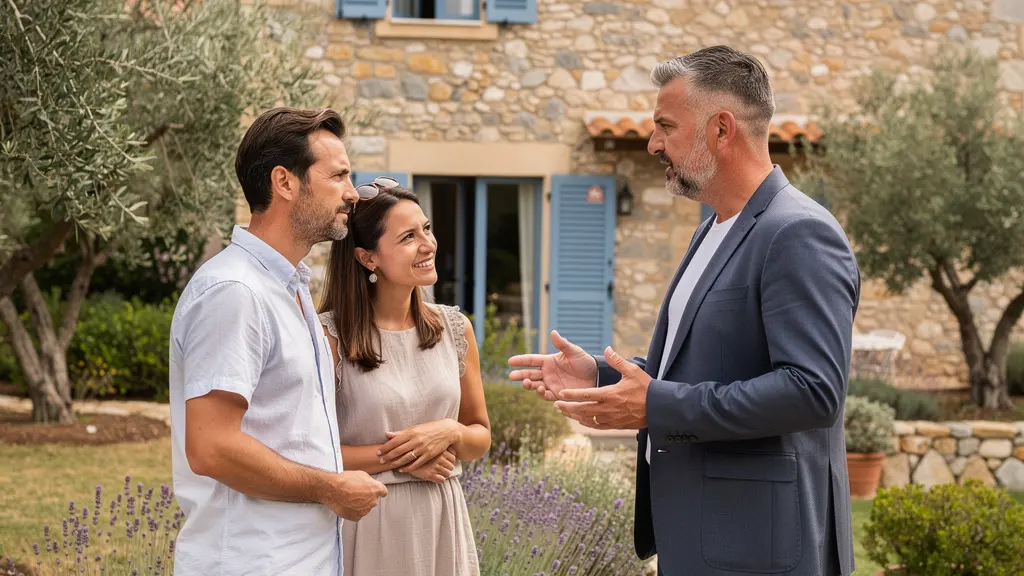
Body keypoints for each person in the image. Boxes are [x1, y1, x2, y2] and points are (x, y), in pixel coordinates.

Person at [510, 45, 860, 576]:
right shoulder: (712, 229)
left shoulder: (797, 233)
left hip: (760, 550)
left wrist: (658, 407)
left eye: (665, 126)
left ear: (721, 130)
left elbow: (813, 392)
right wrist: (600, 375)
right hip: (703, 538)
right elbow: (694, 369)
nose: (653, 143)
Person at [168, 107, 388, 576]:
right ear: (285, 182)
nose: (353, 194)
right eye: (339, 176)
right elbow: (211, 447)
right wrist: (330, 488)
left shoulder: (289, 289)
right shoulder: (236, 292)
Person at [316, 179, 491, 576]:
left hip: (442, 519)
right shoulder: (328, 338)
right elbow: (311, 455)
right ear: (367, 258)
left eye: (426, 229)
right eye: (408, 237)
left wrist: (449, 431)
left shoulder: (455, 329)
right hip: (368, 522)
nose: (427, 244)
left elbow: (479, 435)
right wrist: (407, 460)